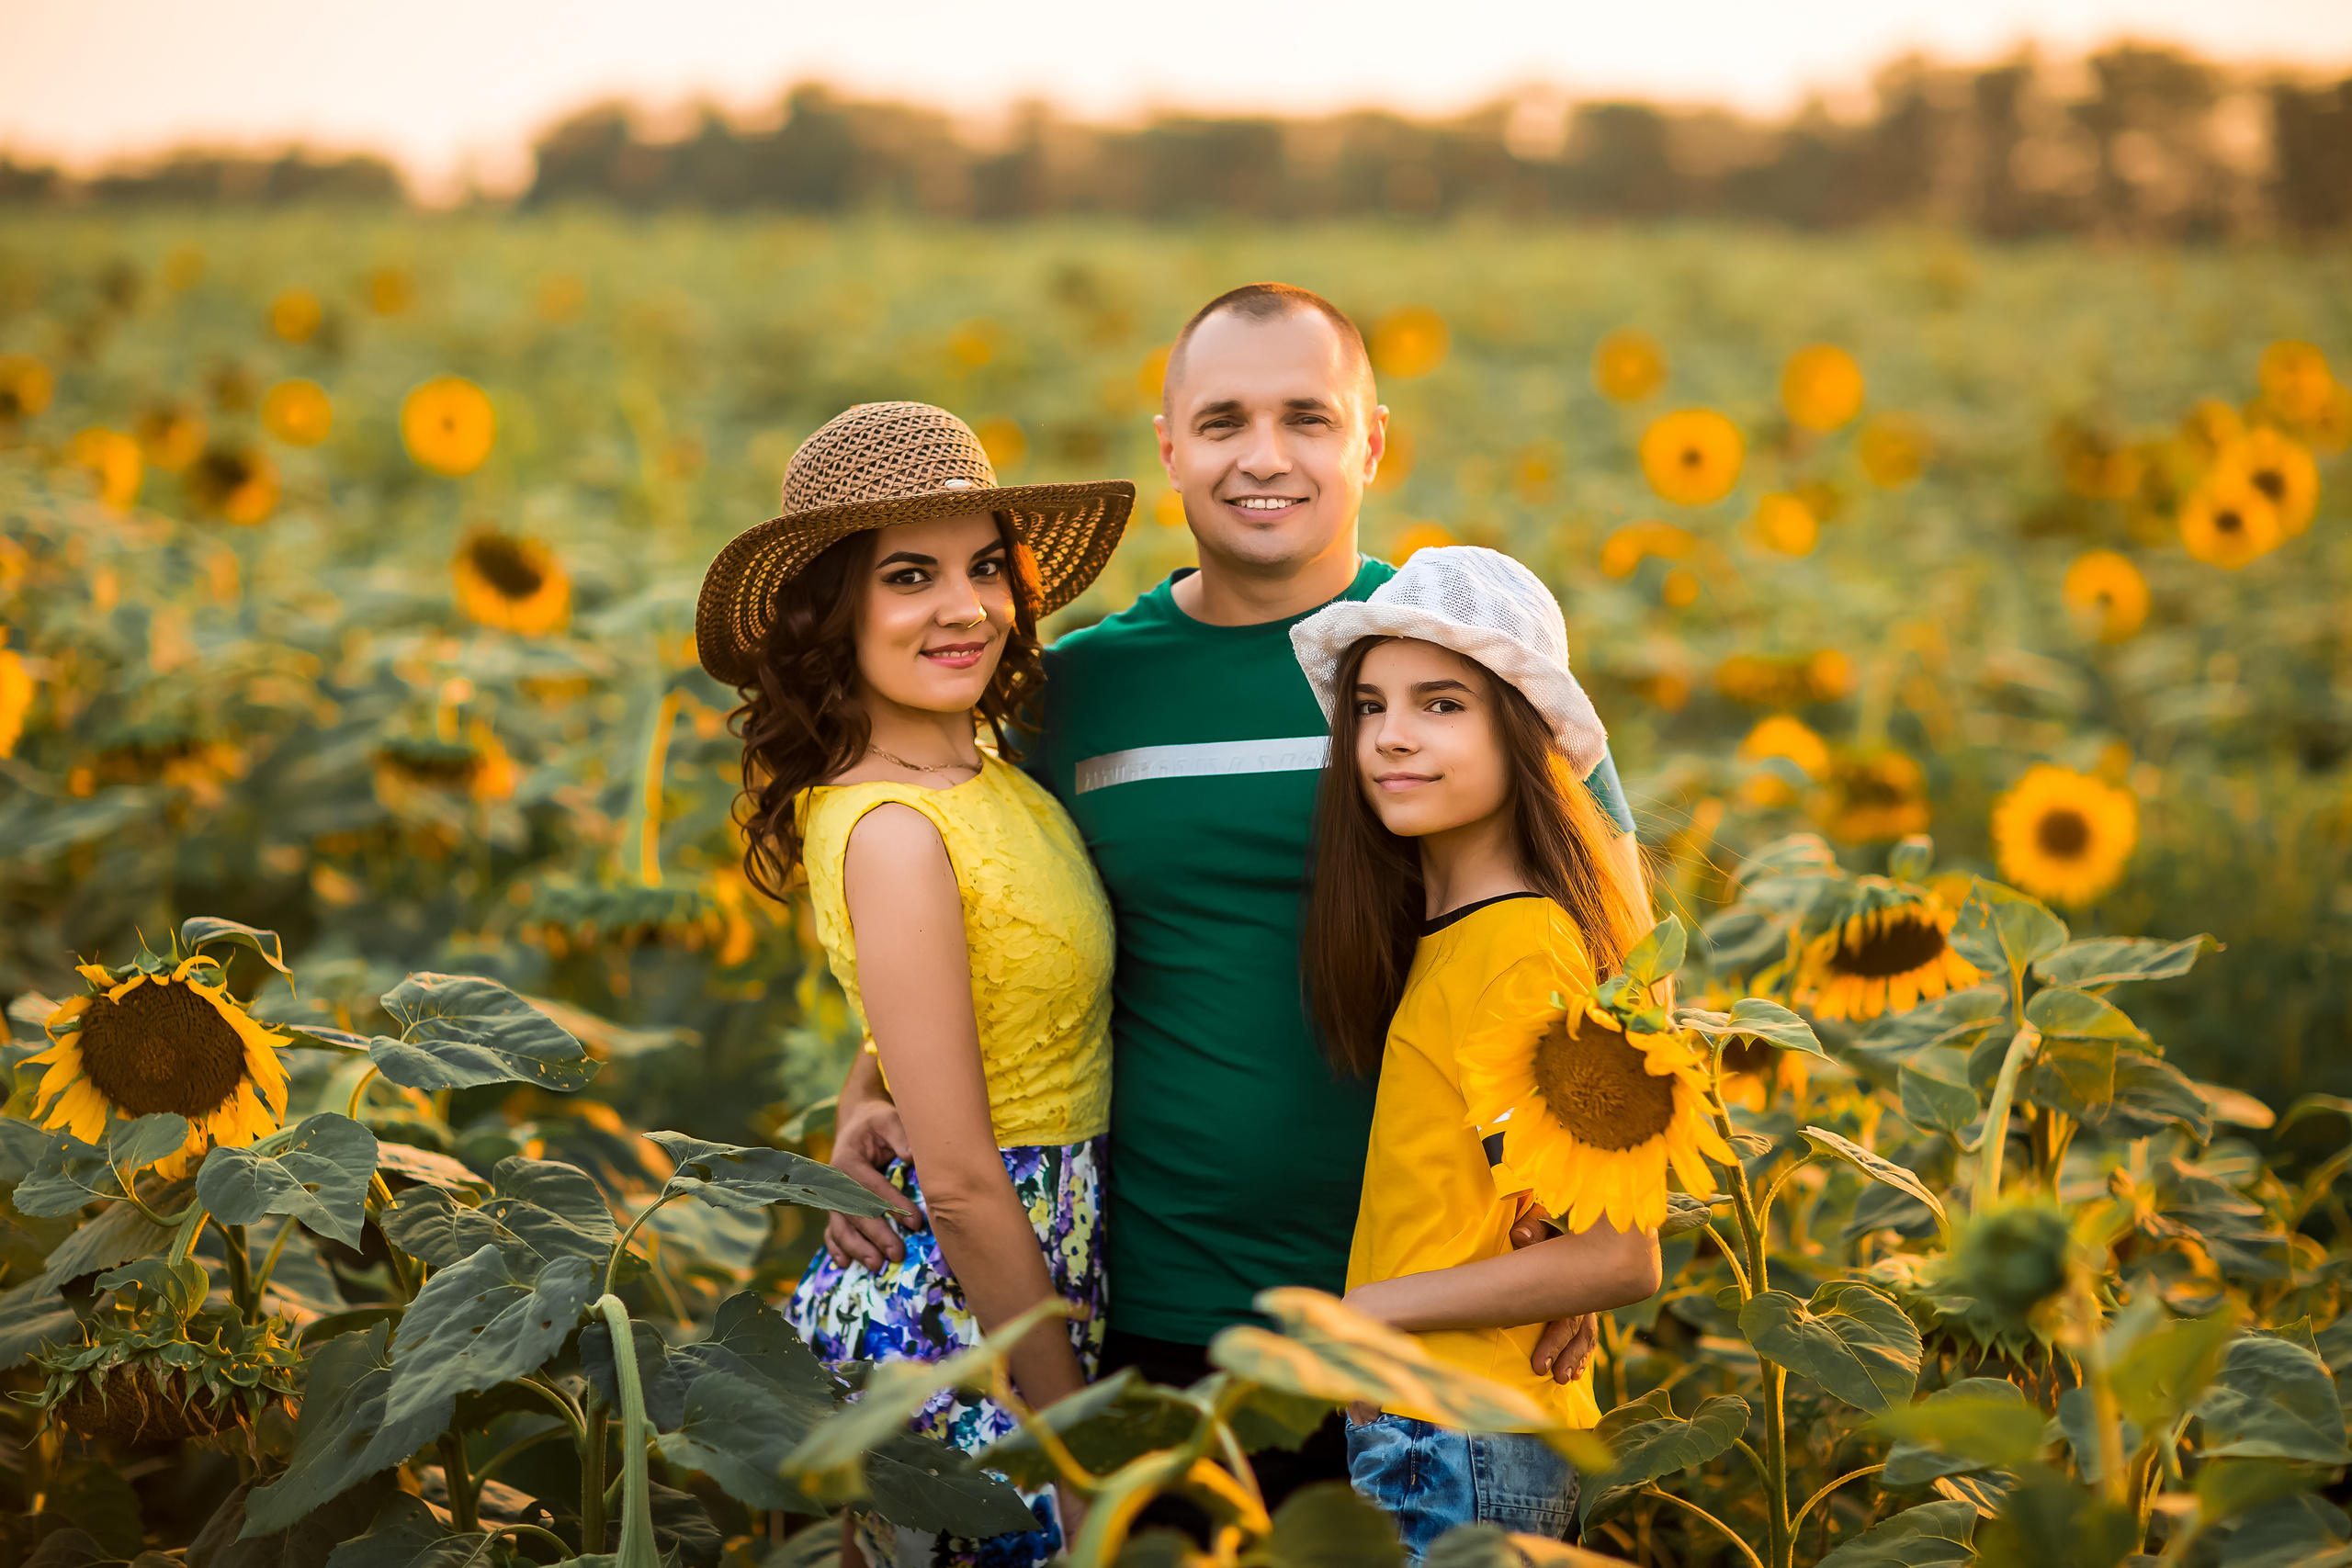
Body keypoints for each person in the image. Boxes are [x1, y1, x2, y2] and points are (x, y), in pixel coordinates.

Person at [820, 284, 1645, 1505]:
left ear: (1370, 438)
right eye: (1222, 422)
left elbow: (1626, 971)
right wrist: (863, 1088)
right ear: (1168, 447)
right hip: (1167, 1310)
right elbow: (992, 916)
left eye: (1307, 418)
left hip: (1441, 1308)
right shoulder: (1080, 689)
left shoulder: (1459, 668)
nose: (1265, 457)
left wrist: (1574, 1238)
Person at [695, 400, 1136, 1568]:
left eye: (986, 566)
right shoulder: (891, 827)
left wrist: (858, 1092)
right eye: (909, 576)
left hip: (1031, 1288)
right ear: (829, 618)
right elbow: (958, 1184)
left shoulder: (984, 776)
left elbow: (960, 994)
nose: (965, 606)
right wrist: (1075, 1450)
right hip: (965, 1333)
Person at [1289, 545, 1675, 1557]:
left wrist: (1358, 1313)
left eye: (1441, 705)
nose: (1391, 738)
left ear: (1525, 732)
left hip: (1459, 1434)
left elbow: (1617, 1253)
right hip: (1441, 1425)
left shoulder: (1520, 946)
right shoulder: (1461, 930)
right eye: (1369, 706)